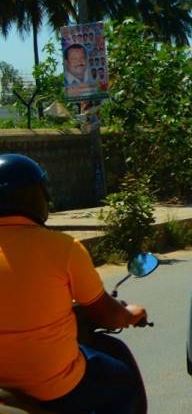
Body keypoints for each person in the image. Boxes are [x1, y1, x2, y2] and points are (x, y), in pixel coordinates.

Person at [0, 154, 148, 414]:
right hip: (54, 387)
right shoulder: (64, 249)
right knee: (122, 380)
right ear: (38, 197)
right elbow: (106, 313)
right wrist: (129, 314)